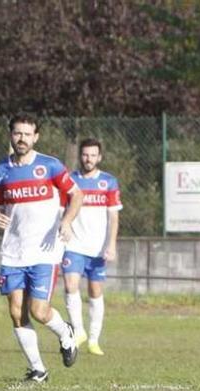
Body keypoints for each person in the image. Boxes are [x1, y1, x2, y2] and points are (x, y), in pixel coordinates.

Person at [0, 114, 84, 382]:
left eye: (27, 134)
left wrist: (66, 220)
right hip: (13, 251)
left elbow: (77, 194)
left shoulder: (50, 166)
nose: (22, 138)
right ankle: (38, 369)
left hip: (45, 251)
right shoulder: (0, 171)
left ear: (35, 137)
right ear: (11, 135)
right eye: (18, 133)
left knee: (38, 311)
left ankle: (66, 333)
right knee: (16, 312)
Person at [62, 138, 122, 356]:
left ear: (100, 157)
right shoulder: (70, 180)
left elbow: (113, 217)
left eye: (93, 155)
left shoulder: (109, 182)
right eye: (85, 154)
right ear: (80, 156)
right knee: (70, 284)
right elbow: (61, 209)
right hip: (73, 245)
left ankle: (94, 339)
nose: (89, 159)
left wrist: (111, 243)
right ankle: (78, 332)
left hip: (98, 248)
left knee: (95, 291)